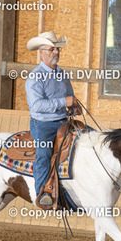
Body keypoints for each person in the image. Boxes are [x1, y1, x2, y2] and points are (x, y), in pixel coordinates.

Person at [25, 31, 81, 208]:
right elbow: (36, 105)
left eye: (57, 49)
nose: (56, 52)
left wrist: (74, 106)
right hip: (43, 124)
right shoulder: (35, 77)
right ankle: (43, 194)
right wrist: (65, 102)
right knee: (44, 154)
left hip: (63, 120)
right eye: (51, 49)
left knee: (89, 138)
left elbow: (69, 95)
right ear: (41, 52)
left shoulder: (61, 74)